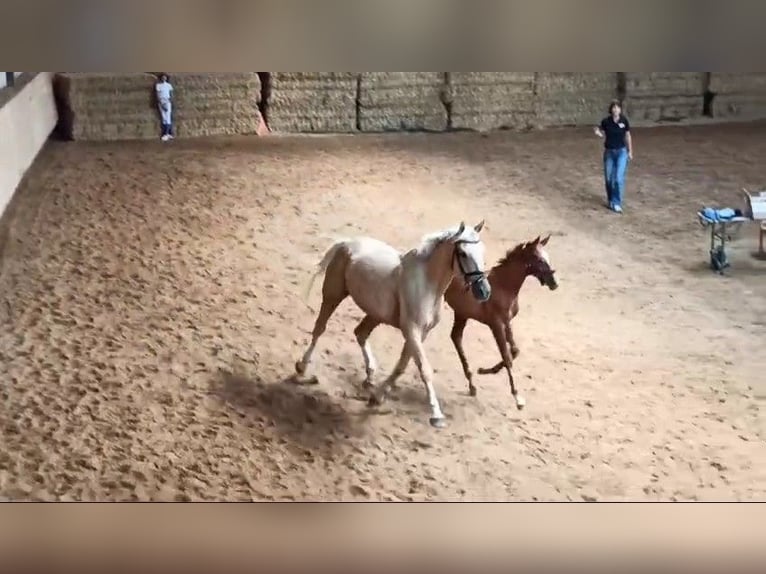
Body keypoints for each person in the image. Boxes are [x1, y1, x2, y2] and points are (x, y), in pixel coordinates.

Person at [594, 99, 633, 213]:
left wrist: (630, 151)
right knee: (609, 178)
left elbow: (628, 136)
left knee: (618, 178)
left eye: (618, 107)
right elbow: (602, 133)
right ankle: (611, 200)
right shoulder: (606, 121)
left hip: (621, 152)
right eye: (614, 107)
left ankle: (617, 202)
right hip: (609, 152)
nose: (616, 110)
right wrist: (598, 133)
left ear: (620, 109)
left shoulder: (624, 121)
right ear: (611, 109)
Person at [155, 73, 174, 141]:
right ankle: (165, 134)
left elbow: (171, 94)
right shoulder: (158, 85)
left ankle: (168, 134)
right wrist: (161, 103)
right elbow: (158, 95)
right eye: (163, 77)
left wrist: (170, 101)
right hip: (162, 101)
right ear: (161, 78)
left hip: (168, 101)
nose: (164, 78)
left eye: (165, 77)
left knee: (168, 117)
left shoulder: (169, 85)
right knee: (164, 117)